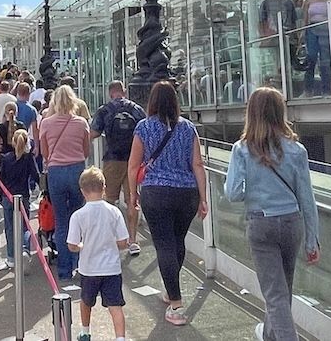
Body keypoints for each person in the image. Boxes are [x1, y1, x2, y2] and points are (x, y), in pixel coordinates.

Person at [225, 88, 321, 341]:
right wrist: (312, 240)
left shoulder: (242, 149)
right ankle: (269, 335)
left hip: (261, 223)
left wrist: (254, 191)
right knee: (282, 290)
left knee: (275, 293)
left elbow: (233, 193)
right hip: (292, 223)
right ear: (280, 113)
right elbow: (307, 199)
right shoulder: (297, 150)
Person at [127, 80, 208, 327]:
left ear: (152, 101)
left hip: (156, 192)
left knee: (163, 244)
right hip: (186, 193)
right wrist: (203, 197)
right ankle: (170, 288)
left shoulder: (143, 127)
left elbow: (133, 165)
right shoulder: (188, 128)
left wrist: (133, 195)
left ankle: (176, 304)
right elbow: (197, 164)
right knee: (177, 241)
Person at [67, 166, 129, 341]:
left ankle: (85, 332)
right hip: (111, 268)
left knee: (86, 302)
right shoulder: (114, 212)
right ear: (104, 188)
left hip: (89, 269)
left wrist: (82, 246)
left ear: (82, 191)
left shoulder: (78, 216)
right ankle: (120, 338)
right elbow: (123, 242)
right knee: (115, 306)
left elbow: (71, 245)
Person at [38, 84, 91, 282]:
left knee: (61, 221)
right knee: (77, 218)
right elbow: (86, 151)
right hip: (77, 170)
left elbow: (44, 153)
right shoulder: (80, 123)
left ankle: (64, 270)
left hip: (56, 171)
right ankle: (78, 263)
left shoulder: (46, 123)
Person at [90, 80, 146, 255]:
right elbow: (145, 131)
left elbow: (93, 133)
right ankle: (133, 240)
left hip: (112, 160)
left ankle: (110, 238)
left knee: (108, 201)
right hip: (133, 160)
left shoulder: (105, 109)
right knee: (132, 200)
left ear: (110, 93)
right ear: (124, 91)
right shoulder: (136, 109)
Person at [0, 128, 39, 265]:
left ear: (13, 142)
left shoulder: (5, 159)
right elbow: (35, 175)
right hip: (23, 196)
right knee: (25, 226)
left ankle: (11, 257)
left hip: (8, 196)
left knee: (9, 227)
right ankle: (25, 249)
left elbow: (1, 178)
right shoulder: (28, 158)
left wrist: (0, 195)